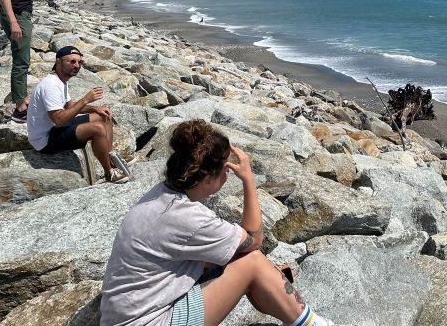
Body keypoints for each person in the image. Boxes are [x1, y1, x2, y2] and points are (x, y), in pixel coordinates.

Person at [100, 120, 332, 326]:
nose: (228, 174)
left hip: (124, 315)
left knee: (233, 258)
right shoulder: (186, 216)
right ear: (208, 178)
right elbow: (254, 239)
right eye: (225, 169)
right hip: (150, 320)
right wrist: (248, 180)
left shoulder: (159, 195)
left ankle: (286, 308)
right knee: (252, 262)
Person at [26, 46, 128, 184]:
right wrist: (85, 99)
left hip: (54, 130)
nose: (77, 66)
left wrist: (95, 109)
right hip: (45, 139)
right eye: (72, 61)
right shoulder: (50, 85)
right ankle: (109, 172)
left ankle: (111, 159)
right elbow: (59, 120)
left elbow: (69, 106)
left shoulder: (60, 81)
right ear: (58, 62)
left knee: (103, 116)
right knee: (97, 129)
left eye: (79, 62)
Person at [0, 0, 59, 122]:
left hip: (20, 17)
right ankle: (20, 109)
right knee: (21, 62)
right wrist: (14, 21)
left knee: (21, 60)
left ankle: (22, 100)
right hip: (18, 18)